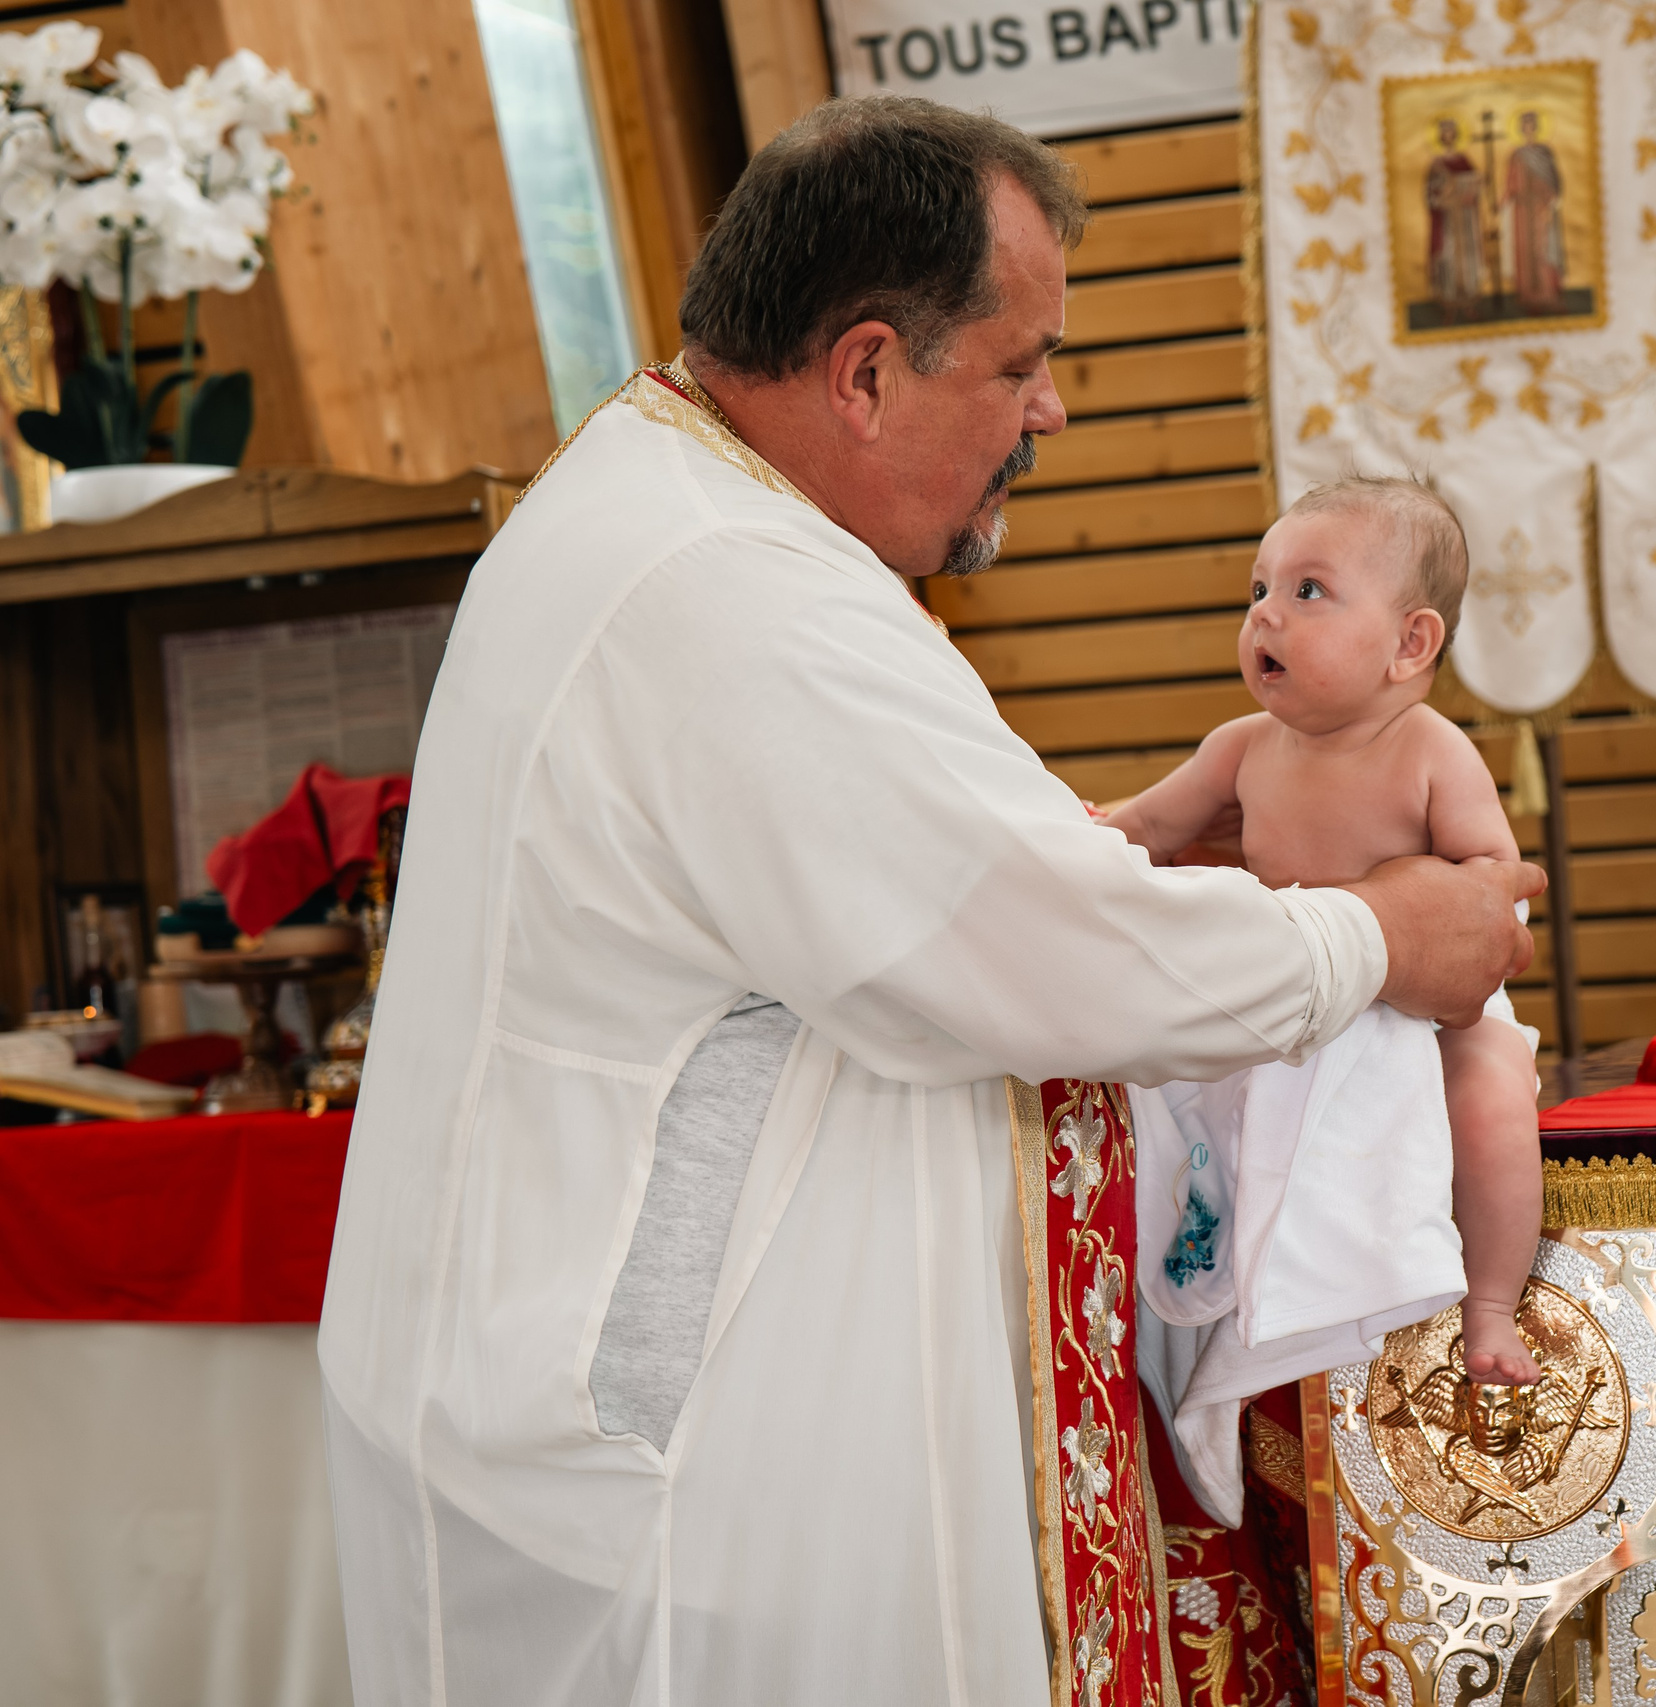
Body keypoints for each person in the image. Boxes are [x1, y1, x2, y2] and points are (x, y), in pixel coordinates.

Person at [315, 95, 1539, 1706]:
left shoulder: (687, 516)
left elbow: (1004, 878)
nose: (1053, 408)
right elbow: (1042, 947)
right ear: (871, 369)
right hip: (699, 1500)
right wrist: (1390, 932)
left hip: (689, 1455)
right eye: (1022, 362)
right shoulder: (726, 587)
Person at [1102, 477, 1545, 1387]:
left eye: (1308, 591)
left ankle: (1492, 1302)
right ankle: (1229, 1267)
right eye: (1258, 589)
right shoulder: (1241, 747)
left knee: (1494, 1093)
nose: (1267, 615)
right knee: (1181, 1081)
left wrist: (1421, 911)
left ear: (1409, 642)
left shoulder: (1429, 749)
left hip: (1428, 1007)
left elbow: (1492, 895)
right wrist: (1073, 836)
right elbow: (1145, 827)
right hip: (1298, 994)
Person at [1425, 118, 1486, 320]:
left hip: (1465, 220)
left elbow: (1476, 187)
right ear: (1441, 137)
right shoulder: (1436, 164)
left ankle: (1469, 304)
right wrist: (1442, 196)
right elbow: (1431, 195)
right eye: (1445, 133)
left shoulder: (1464, 161)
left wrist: (1474, 185)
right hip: (1447, 221)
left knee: (1467, 259)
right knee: (1448, 258)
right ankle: (1449, 305)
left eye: (1452, 132)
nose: (1448, 136)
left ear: (1456, 136)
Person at [1506, 110, 1565, 314]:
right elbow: (1510, 186)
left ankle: (1549, 295)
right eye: (1525, 125)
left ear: (1536, 126)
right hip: (1523, 211)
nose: (1529, 128)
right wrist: (1502, 203)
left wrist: (1552, 198)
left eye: (1532, 124)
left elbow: (1554, 178)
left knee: (1543, 248)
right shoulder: (1517, 155)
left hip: (1541, 206)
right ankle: (1527, 296)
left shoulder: (1545, 152)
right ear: (1521, 129)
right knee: (1526, 250)